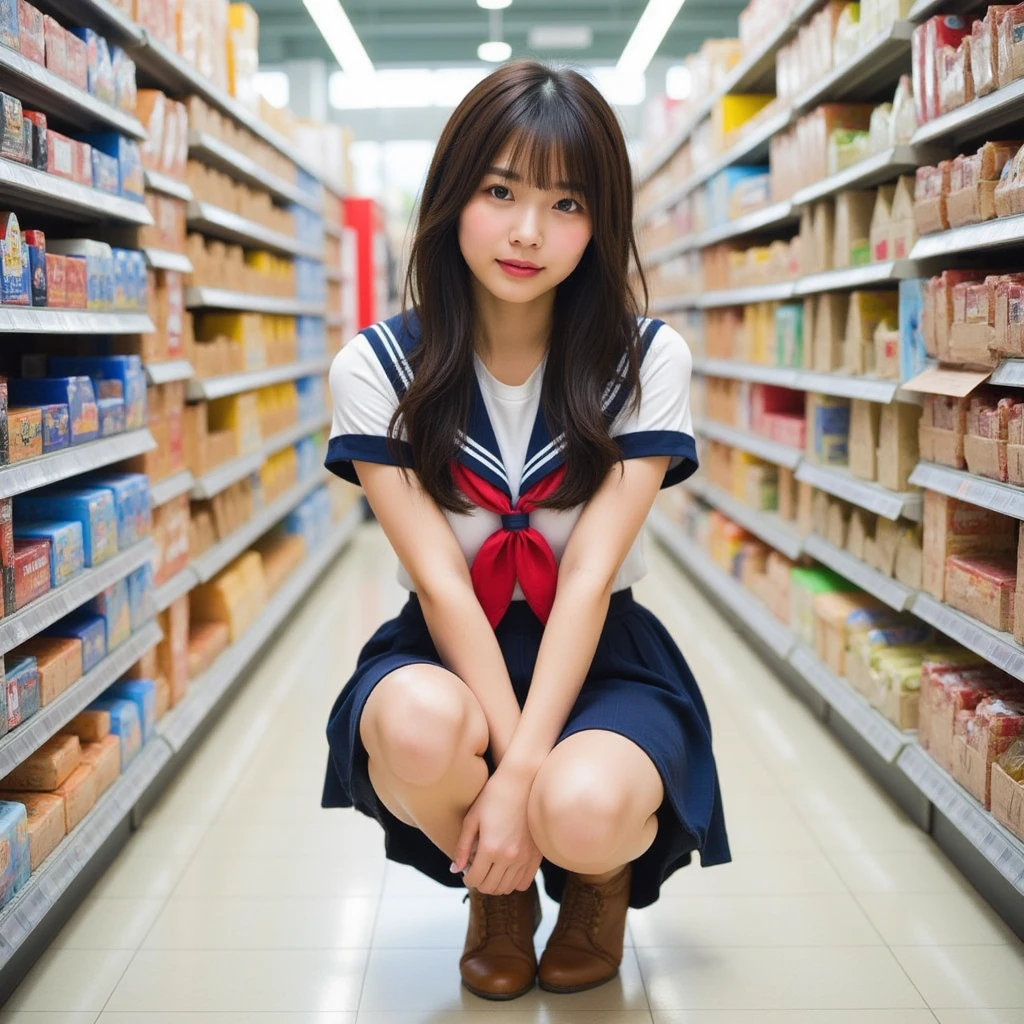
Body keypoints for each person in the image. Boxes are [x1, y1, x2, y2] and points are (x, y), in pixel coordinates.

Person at [321, 59, 730, 1002]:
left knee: (580, 808)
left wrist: (528, 775)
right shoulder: (377, 368)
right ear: (452, 195)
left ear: (601, 224)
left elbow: (587, 575)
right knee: (418, 733)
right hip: (446, 643)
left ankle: (594, 878)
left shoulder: (645, 359)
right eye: (500, 191)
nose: (527, 232)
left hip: (600, 651)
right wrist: (504, 781)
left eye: (567, 204)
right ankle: (496, 894)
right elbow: (442, 583)